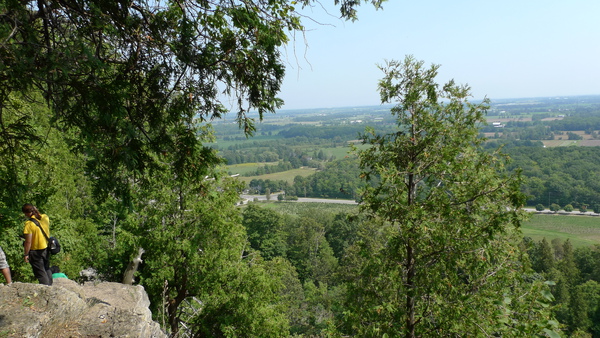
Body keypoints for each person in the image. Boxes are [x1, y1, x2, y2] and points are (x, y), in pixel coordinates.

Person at [22, 203, 52, 286]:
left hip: (35, 251)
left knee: (40, 272)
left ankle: (46, 289)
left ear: (27, 213)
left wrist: (26, 254)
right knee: (46, 268)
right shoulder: (45, 217)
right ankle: (51, 286)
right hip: (45, 248)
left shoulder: (29, 224)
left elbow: (28, 242)